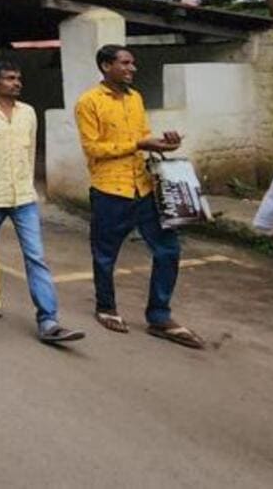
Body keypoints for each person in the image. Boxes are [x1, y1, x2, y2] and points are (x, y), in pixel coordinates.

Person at [74, 44, 201, 347]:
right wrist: (139, 145)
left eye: (133, 64)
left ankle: (159, 315)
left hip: (143, 187)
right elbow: (93, 149)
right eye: (125, 63)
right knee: (105, 255)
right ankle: (106, 307)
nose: (132, 68)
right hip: (110, 190)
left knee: (168, 250)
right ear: (106, 66)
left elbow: (144, 136)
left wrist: (164, 143)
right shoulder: (88, 102)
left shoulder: (136, 98)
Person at [0, 61, 84, 344]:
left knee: (36, 257)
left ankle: (48, 321)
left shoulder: (29, 113)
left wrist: (29, 185)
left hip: (23, 197)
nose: (16, 83)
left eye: (18, 78)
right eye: (9, 78)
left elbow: (30, 153)